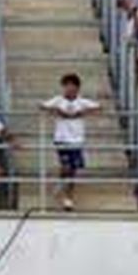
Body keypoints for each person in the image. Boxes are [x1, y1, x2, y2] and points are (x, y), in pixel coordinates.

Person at [39, 73, 99, 211]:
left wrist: (82, 113)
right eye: (67, 86)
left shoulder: (82, 101)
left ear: (77, 88)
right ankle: (67, 197)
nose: (69, 89)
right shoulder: (58, 100)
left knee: (73, 169)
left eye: (73, 86)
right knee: (66, 166)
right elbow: (42, 106)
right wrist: (57, 111)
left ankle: (65, 191)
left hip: (77, 139)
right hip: (62, 139)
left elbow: (98, 107)